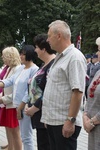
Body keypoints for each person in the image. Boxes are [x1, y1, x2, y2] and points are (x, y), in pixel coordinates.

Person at [40, 20, 87, 150]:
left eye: (49, 36)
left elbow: (77, 92)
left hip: (64, 122)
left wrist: (70, 120)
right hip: (54, 121)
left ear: (59, 35)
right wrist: (48, 118)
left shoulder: (74, 57)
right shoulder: (60, 57)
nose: (47, 40)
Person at [0, 45, 39, 150]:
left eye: (23, 54)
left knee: (26, 136)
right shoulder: (21, 68)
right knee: (22, 135)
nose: (20, 56)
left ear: (29, 55)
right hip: (18, 105)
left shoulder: (34, 69)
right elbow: (11, 80)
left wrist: (21, 106)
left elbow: (29, 91)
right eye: (20, 54)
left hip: (25, 106)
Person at [25, 34, 56, 150]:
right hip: (39, 115)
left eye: (36, 47)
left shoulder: (53, 64)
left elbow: (49, 90)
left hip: (46, 114)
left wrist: (35, 107)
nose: (35, 50)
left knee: (46, 145)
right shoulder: (44, 65)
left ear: (43, 49)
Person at [0, 47, 22, 150]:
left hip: (13, 104)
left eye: (4, 55)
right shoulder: (9, 68)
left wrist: (4, 99)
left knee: (15, 131)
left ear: (10, 56)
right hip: (7, 104)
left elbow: (18, 90)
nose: (2, 57)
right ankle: (10, 148)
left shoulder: (18, 69)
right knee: (8, 130)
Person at [83, 37, 100, 150]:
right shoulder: (98, 71)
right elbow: (90, 94)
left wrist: (93, 122)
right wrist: (84, 115)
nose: (97, 53)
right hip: (93, 130)